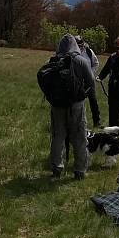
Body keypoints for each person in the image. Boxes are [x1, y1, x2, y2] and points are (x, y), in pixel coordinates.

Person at [48, 34, 95, 180]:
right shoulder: (81, 60)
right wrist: (83, 95)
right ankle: (80, 170)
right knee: (80, 137)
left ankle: (56, 167)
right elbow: (91, 83)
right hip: (77, 104)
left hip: (57, 105)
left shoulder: (53, 60)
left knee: (58, 136)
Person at [75, 35, 101, 127]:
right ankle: (78, 123)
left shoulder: (89, 52)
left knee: (93, 101)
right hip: (77, 82)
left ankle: (97, 122)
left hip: (89, 81)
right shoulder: (72, 54)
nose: (79, 47)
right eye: (77, 45)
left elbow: (96, 63)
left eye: (81, 45)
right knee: (78, 103)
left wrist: (91, 74)